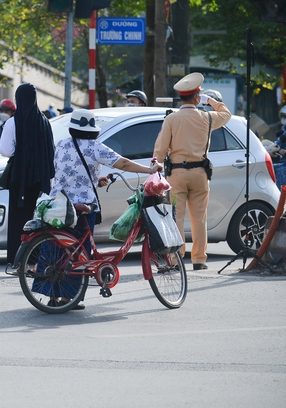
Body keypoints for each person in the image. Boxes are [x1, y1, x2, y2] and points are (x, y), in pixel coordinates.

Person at [40, 109, 160, 309]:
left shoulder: (61, 144)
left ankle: (53, 297)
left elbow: (69, 173)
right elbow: (122, 163)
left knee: (58, 248)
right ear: (92, 130)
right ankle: (69, 297)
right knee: (80, 253)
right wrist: (150, 170)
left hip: (58, 204)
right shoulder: (94, 147)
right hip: (82, 208)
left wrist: (95, 181)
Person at [153, 72, 231, 270]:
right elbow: (226, 114)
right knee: (199, 218)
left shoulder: (171, 120)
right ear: (197, 97)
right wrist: (212, 100)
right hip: (200, 174)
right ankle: (199, 260)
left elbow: (160, 150)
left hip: (176, 174)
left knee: (176, 217)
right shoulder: (207, 118)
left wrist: (156, 168)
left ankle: (176, 260)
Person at [0, 84, 55, 265]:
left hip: (20, 178)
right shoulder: (45, 122)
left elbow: (6, 150)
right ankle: (37, 258)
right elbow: (50, 152)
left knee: (18, 219)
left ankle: (17, 259)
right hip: (41, 179)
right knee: (38, 217)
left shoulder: (12, 122)